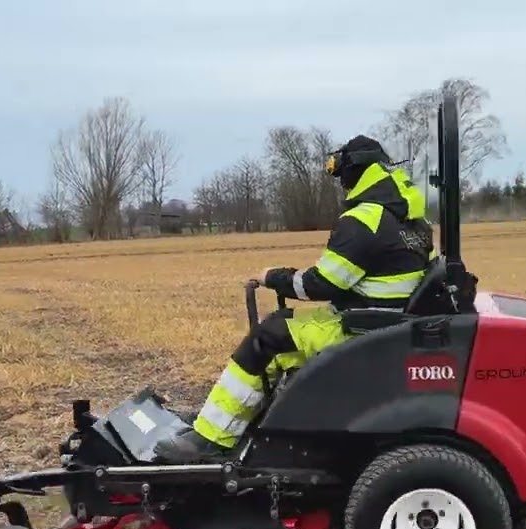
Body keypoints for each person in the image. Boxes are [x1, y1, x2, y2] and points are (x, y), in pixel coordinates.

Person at [151, 134, 436, 463]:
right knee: (281, 333)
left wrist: (273, 277)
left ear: (354, 173)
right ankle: (224, 420)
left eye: (340, 172)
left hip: (362, 330)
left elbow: (321, 284)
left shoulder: (364, 220)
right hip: (386, 325)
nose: (341, 182)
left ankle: (210, 439)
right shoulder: (413, 219)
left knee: (266, 338)